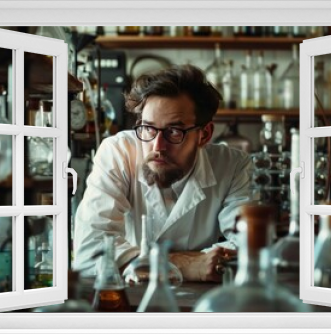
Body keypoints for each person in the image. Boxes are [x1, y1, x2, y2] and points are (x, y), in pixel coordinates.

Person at [73, 64, 252, 282]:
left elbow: (251, 248)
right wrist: (187, 265)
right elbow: (89, 253)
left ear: (204, 135)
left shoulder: (233, 165)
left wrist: (136, 262)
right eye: (148, 128)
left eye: (174, 131)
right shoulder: (119, 152)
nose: (157, 146)